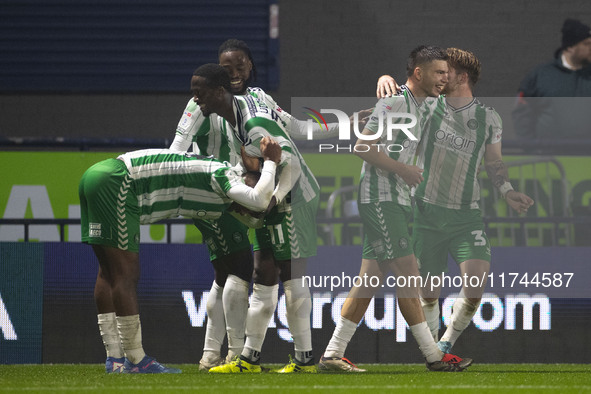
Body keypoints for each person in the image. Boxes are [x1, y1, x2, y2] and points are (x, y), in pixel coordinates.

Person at [170, 39, 339, 371]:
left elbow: (290, 158)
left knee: (279, 274)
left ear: (250, 67)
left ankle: (297, 359)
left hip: (282, 195)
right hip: (244, 194)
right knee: (251, 271)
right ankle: (243, 357)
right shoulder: (211, 107)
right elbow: (178, 149)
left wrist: (272, 199)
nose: (234, 73)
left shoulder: (255, 111)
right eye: (226, 67)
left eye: (239, 65)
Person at [80, 118, 282, 374]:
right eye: (244, 206)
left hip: (99, 174)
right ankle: (136, 360)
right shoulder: (224, 175)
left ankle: (115, 360)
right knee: (125, 275)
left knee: (107, 272)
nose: (243, 211)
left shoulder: (222, 186)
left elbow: (255, 207)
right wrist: (272, 161)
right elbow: (258, 197)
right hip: (119, 182)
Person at [319, 45, 473, 373]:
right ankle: (434, 355)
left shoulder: (425, 104)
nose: (444, 80)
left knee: (368, 281)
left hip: (398, 200)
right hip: (381, 198)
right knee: (409, 276)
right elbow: (362, 146)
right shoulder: (394, 102)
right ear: (419, 73)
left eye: (447, 74)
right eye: (439, 73)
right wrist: (402, 169)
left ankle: (332, 353)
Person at [376, 48, 534, 354]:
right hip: (427, 213)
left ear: (460, 77)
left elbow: (494, 163)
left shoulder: (489, 118)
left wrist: (507, 191)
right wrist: (385, 78)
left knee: (475, 286)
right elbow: (403, 93)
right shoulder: (428, 105)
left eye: (445, 71)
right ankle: (435, 351)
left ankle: (446, 342)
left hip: (466, 216)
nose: (439, 75)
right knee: (429, 293)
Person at [512, 18, 591, 139]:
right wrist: (531, 149)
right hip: (550, 154)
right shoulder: (541, 75)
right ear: (570, 47)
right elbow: (522, 114)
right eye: (586, 44)